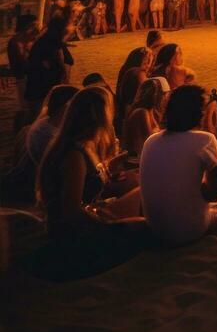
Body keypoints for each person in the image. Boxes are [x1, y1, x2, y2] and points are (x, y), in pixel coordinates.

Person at [35, 86, 147, 280]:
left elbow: (87, 186)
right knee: (142, 226)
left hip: (90, 213)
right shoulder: (74, 156)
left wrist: (109, 171)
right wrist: (107, 222)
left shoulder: (84, 145)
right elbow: (71, 210)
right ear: (100, 116)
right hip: (74, 232)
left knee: (143, 190)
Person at [138, 85, 217, 246]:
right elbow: (213, 193)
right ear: (199, 113)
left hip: (154, 228)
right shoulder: (205, 140)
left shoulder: (151, 140)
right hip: (188, 231)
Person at [24, 15, 74, 118]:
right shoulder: (49, 42)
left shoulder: (54, 41)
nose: (72, 27)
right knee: (39, 116)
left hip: (49, 87)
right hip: (42, 87)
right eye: (69, 25)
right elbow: (49, 64)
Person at [7, 13, 37, 118]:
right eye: (33, 25)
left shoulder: (28, 38)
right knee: (26, 107)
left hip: (29, 76)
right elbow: (21, 60)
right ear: (27, 26)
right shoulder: (17, 41)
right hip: (22, 77)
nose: (35, 28)